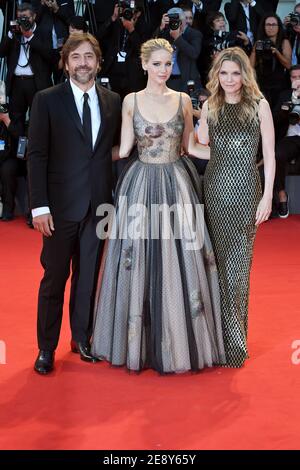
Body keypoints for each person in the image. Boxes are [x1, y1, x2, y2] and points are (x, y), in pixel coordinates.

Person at [91, 38, 226, 374]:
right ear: (143, 65)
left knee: (181, 259)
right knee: (137, 260)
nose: (164, 70)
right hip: (139, 186)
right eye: (157, 64)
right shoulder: (131, 101)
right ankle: (139, 341)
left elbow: (192, 147)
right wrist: (79, 159)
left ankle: (176, 338)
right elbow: (123, 150)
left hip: (177, 186)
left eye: (168, 64)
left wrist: (231, 154)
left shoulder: (182, 100)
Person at [27, 33, 121, 375]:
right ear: (65, 63)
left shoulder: (113, 101)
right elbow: (36, 155)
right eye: (76, 57)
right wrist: (39, 206)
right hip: (58, 207)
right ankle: (46, 348)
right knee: (54, 277)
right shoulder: (47, 100)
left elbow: (116, 151)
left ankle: (82, 339)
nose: (83, 63)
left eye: (89, 57)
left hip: (99, 205)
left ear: (98, 62)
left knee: (88, 278)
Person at [189, 47, 275, 367]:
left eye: (235, 73)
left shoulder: (260, 106)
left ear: (244, 74)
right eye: (223, 73)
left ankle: (234, 342)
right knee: (216, 264)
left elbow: (270, 153)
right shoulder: (211, 105)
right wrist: (197, 124)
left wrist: (266, 196)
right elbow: (200, 147)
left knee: (239, 268)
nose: (229, 79)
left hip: (246, 191)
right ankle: (217, 341)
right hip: (215, 189)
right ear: (217, 75)